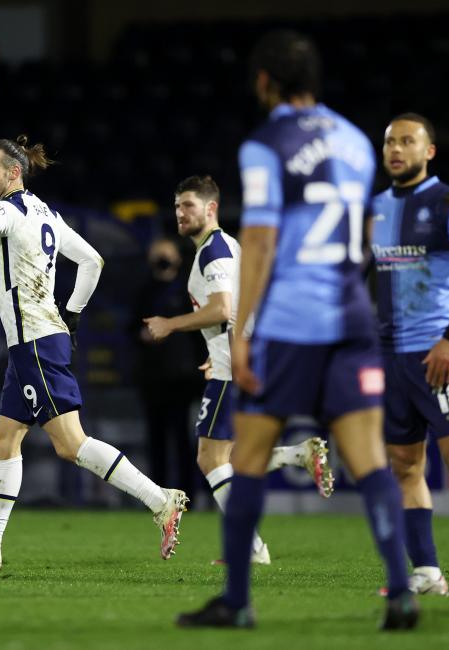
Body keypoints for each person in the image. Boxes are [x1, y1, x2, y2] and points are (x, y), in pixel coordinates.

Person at [177, 30, 417, 630]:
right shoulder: (360, 143)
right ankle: (402, 593)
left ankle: (236, 600)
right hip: (350, 316)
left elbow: (258, 240)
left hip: (287, 323)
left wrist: (242, 333)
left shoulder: (266, 144)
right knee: (368, 461)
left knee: (246, 457)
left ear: (263, 82)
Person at [0, 135, 188, 571]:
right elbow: (92, 261)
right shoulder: (44, 212)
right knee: (4, 440)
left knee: (71, 444)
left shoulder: (10, 211)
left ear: (14, 172)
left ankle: (160, 499)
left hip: (34, 341)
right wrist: (71, 315)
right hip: (35, 341)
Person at [144, 175, 334, 566]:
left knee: (210, 459)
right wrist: (221, 348)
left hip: (235, 365)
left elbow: (221, 308)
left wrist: (170, 324)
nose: (181, 213)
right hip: (238, 357)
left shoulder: (213, 252)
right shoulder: (225, 246)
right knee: (226, 456)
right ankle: (298, 457)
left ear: (211, 208)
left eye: (189, 205)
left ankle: (250, 549)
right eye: (178, 206)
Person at [371, 113, 449, 597]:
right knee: (404, 466)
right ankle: (426, 572)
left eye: (407, 141)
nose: (396, 149)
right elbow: (365, 275)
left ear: (429, 151)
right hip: (390, 359)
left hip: (436, 355)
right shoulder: (376, 208)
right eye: (389, 142)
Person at [130, 237, 203, 500]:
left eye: (166, 254)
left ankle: (188, 497)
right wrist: (141, 335)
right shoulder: (144, 292)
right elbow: (129, 329)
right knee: (156, 440)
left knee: (184, 439)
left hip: (182, 378)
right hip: (153, 377)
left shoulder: (187, 290)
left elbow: (198, 331)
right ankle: (158, 498)